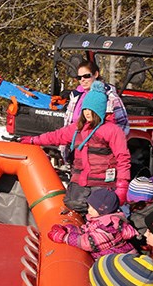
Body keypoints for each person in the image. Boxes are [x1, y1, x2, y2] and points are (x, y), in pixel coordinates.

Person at [21, 81, 131, 211]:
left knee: (98, 213)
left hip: (101, 184)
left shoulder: (112, 130)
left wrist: (122, 186)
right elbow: (56, 136)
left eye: (92, 109)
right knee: (73, 206)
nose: (88, 113)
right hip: (79, 184)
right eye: (85, 109)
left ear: (100, 109)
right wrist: (33, 140)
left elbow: (123, 158)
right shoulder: (77, 128)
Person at [47, 187, 137, 259]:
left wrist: (65, 237)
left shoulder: (108, 227)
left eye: (92, 208)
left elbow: (89, 243)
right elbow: (87, 230)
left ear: (102, 210)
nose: (88, 209)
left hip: (117, 261)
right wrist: (69, 229)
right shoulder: (100, 220)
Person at [62, 55, 129, 135]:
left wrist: (109, 140)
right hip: (75, 142)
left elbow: (123, 125)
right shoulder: (75, 96)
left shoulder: (109, 96)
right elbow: (67, 123)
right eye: (79, 77)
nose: (82, 80)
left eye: (86, 76)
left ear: (96, 74)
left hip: (98, 144)